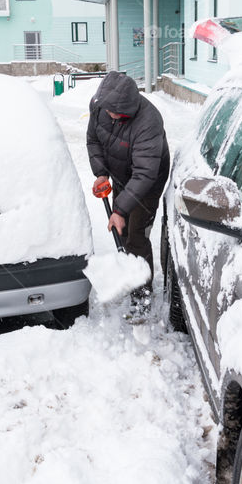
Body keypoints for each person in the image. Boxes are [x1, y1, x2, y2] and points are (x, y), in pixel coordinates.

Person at [87, 71, 171, 316]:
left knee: (136, 235)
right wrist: (101, 173)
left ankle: (142, 295)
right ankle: (128, 273)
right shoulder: (99, 106)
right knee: (121, 231)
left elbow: (145, 173)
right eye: (107, 110)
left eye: (116, 112)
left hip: (148, 180)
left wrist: (120, 210)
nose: (110, 115)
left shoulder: (148, 122)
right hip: (121, 175)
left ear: (129, 109)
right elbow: (92, 140)